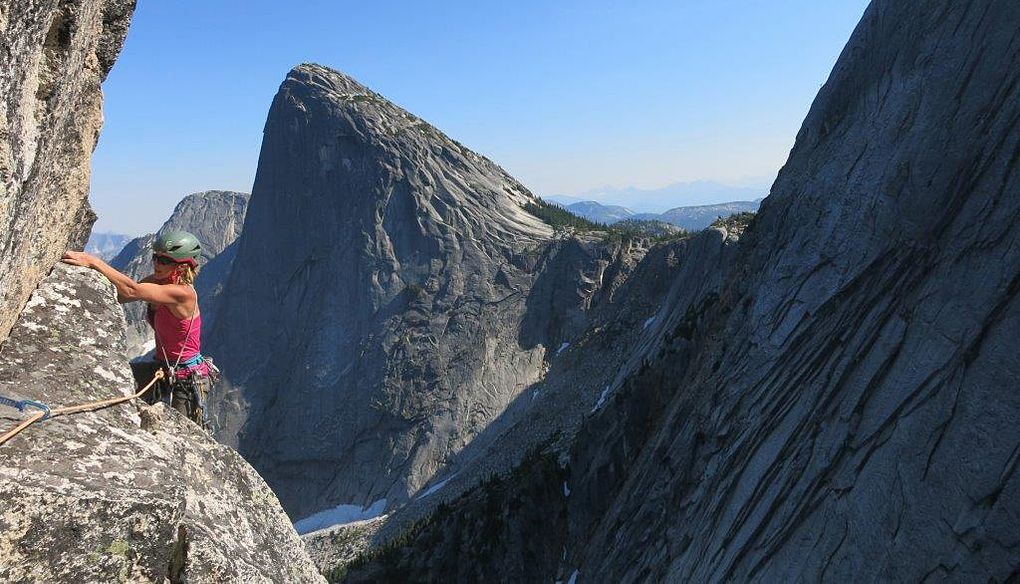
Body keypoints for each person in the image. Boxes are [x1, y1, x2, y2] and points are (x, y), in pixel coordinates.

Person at [62, 231, 213, 426]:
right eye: (155, 257)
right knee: (110, 383)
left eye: (165, 261)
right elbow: (123, 296)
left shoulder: (183, 294)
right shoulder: (157, 281)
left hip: (186, 379)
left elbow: (132, 289)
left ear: (183, 267)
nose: (157, 264)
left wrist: (93, 262)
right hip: (162, 369)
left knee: (185, 432)